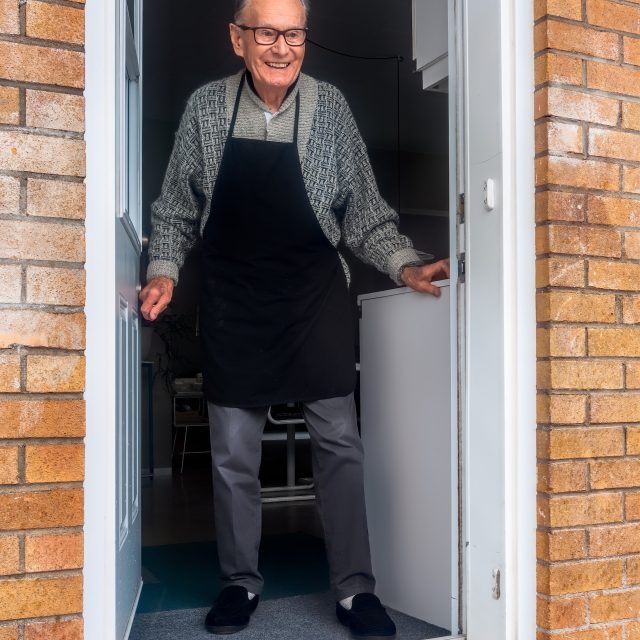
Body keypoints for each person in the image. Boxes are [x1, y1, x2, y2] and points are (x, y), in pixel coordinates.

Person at [140, 0, 450, 636]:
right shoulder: (205, 109)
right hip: (234, 305)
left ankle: (355, 591)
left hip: (313, 301)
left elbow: (363, 211)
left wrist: (403, 266)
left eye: (294, 34)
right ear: (237, 38)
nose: (281, 47)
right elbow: (173, 209)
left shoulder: (330, 107)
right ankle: (239, 583)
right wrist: (163, 270)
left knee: (340, 445)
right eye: (266, 33)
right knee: (230, 454)